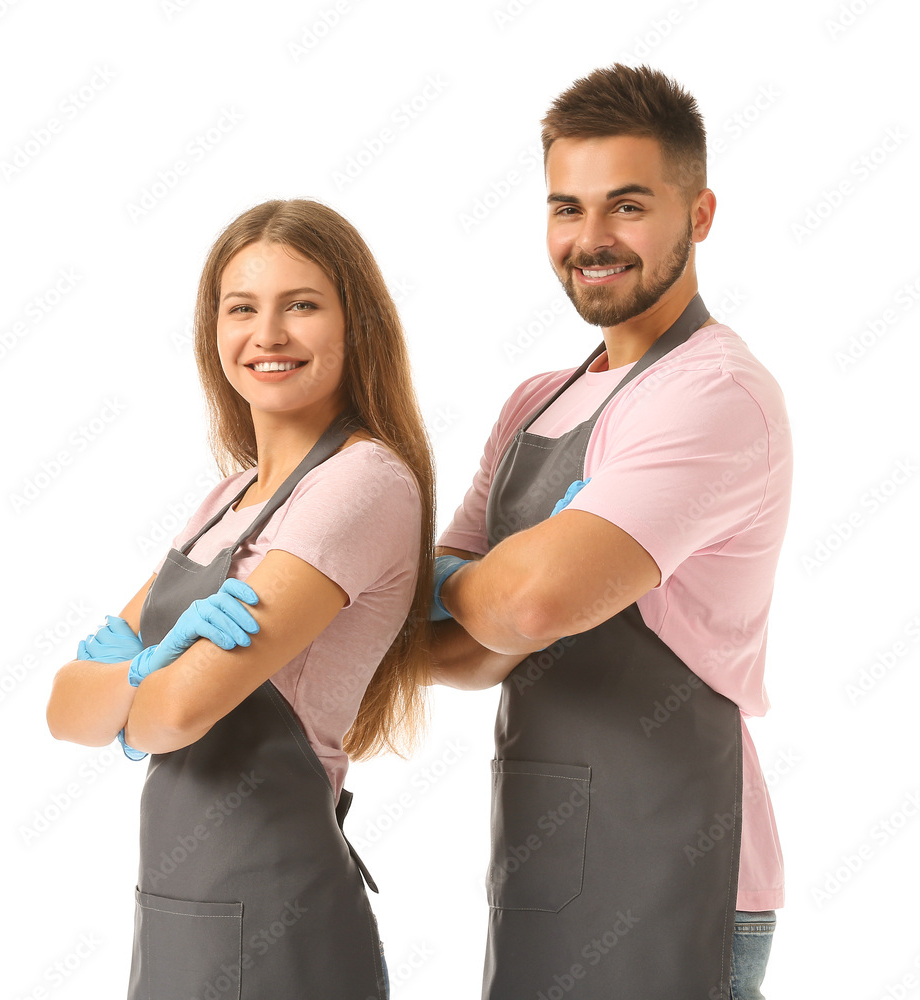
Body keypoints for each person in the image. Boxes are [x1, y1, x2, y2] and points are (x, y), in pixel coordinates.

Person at [429, 64, 791, 1000]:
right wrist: (479, 596)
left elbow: (534, 598)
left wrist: (469, 584)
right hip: (546, 867)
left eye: (627, 207)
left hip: (681, 867)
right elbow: (464, 655)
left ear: (699, 213)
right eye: (566, 208)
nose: (590, 241)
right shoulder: (535, 401)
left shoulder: (714, 393)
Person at [46, 198, 435, 999]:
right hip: (180, 917)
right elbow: (62, 709)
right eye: (242, 308)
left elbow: (175, 716)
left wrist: (135, 690)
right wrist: (150, 672)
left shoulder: (361, 483)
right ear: (212, 330)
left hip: (282, 925)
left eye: (302, 305)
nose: (268, 335)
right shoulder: (227, 501)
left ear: (353, 321)